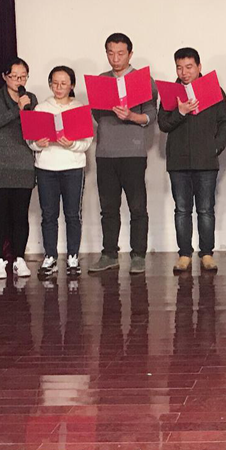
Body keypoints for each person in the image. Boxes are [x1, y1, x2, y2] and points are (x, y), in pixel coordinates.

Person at [158, 47, 226, 273]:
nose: (184, 72)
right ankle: (184, 254)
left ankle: (207, 254)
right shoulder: (171, 92)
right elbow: (163, 124)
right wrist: (180, 112)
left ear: (199, 67)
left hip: (206, 161)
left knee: (206, 210)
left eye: (189, 67)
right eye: (179, 68)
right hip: (178, 161)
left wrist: (216, 147)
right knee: (182, 210)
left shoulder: (213, 89)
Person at [88, 33, 157, 275]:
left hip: (133, 153)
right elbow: (97, 114)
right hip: (106, 152)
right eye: (110, 53)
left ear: (130, 54)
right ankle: (109, 254)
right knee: (108, 208)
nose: (115, 58)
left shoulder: (143, 80)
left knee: (137, 207)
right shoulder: (101, 80)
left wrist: (131, 116)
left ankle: (138, 255)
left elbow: (151, 115)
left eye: (120, 53)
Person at [28, 66, 93, 278]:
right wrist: (38, 144)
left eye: (63, 83)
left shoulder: (79, 108)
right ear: (50, 84)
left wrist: (71, 144)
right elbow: (30, 141)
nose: (58, 87)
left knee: (73, 214)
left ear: (71, 85)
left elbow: (87, 142)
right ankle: (50, 256)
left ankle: (73, 256)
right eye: (55, 83)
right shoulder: (41, 108)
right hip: (46, 168)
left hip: (73, 168)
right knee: (49, 215)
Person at [0, 57, 38, 280]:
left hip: (23, 164)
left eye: (23, 77)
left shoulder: (31, 98)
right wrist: (18, 108)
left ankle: (19, 259)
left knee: (20, 215)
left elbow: (32, 127)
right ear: (5, 77)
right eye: (14, 76)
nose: (19, 81)